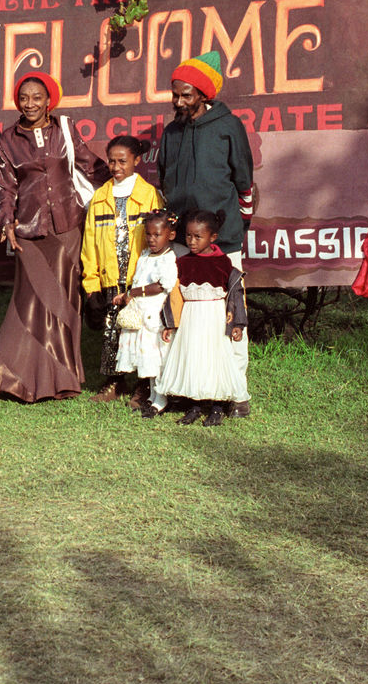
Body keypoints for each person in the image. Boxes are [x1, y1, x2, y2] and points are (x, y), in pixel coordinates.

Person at [0, 74, 107, 401]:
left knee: (65, 306)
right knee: (27, 308)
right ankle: (8, 377)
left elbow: (91, 166)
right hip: (29, 232)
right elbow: (5, 186)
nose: (30, 104)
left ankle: (63, 379)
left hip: (68, 228)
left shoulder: (65, 130)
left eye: (37, 97)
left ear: (49, 101)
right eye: (24, 98)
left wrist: (122, 187)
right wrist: (6, 222)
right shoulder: (9, 139)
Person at [156, 51, 254, 417]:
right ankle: (185, 390)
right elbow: (165, 179)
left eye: (186, 94)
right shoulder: (172, 132)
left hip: (223, 240)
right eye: (175, 94)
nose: (179, 101)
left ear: (204, 94)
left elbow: (244, 179)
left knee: (231, 316)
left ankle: (237, 394)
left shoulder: (229, 126)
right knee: (181, 315)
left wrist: (235, 225)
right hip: (182, 241)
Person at [79, 135, 165, 403]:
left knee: (142, 332)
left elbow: (158, 238)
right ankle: (113, 382)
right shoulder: (100, 197)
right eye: (111, 161)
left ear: (137, 161)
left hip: (139, 280)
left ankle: (143, 385)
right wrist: (91, 284)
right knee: (111, 332)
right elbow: (89, 244)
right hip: (110, 279)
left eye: (122, 161)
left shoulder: (149, 195)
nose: (116, 167)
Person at [153, 209, 250, 426]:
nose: (192, 241)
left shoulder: (222, 263)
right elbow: (175, 296)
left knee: (214, 360)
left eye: (198, 237)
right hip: (191, 319)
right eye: (188, 235)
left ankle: (216, 408)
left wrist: (238, 323)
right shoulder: (183, 263)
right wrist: (170, 323)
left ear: (212, 237)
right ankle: (194, 406)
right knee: (193, 359)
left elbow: (236, 293)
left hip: (214, 319)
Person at [106, 209, 180, 417]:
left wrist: (133, 292)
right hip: (141, 314)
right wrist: (127, 296)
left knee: (158, 357)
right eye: (148, 234)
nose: (151, 239)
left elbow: (162, 285)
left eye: (157, 235)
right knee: (147, 358)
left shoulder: (168, 259)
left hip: (154, 316)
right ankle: (153, 396)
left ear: (171, 235)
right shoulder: (146, 255)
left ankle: (161, 399)